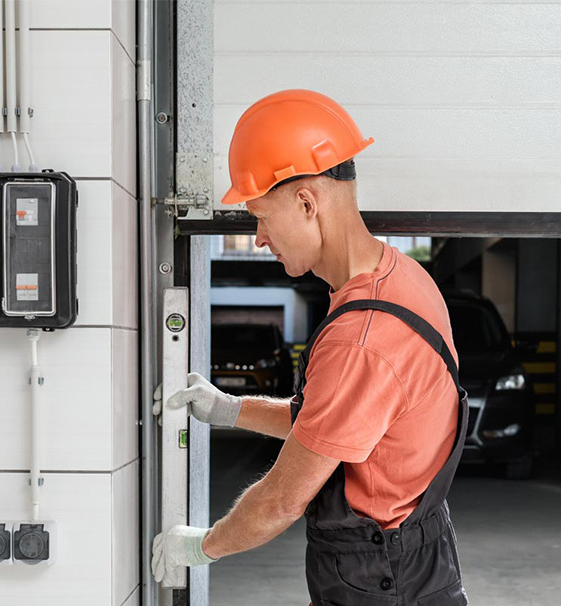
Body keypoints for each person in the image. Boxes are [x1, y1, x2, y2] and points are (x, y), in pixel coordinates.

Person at [151, 90, 469, 606]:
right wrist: (230, 409)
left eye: (261, 216)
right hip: (417, 556)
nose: (258, 237)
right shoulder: (403, 279)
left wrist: (202, 548)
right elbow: (334, 424)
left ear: (306, 203)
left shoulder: (361, 339)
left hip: (381, 578)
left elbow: (281, 500)